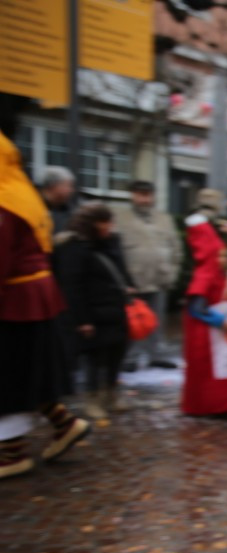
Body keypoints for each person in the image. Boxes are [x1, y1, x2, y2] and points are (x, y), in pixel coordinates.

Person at [0, 131, 90, 480]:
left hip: (15, 301)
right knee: (26, 370)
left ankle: (11, 453)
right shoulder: (22, 192)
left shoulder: (5, 199)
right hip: (33, 297)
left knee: (8, 376)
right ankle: (64, 424)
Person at [55, 204, 135, 419]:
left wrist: (128, 284)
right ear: (92, 223)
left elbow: (121, 267)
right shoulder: (73, 247)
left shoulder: (110, 241)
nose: (110, 226)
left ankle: (110, 394)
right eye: (105, 222)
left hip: (115, 309)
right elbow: (72, 286)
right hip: (92, 311)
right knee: (95, 357)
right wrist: (83, 320)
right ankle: (92, 399)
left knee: (117, 353)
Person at [181, 190, 227, 417]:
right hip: (207, 334)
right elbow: (196, 308)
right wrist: (221, 321)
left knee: (221, 369)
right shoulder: (205, 274)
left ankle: (221, 404)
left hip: (216, 332)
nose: (224, 260)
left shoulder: (215, 272)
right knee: (210, 372)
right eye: (221, 256)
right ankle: (210, 405)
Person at [112, 180, 182, 371]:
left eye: (147, 195)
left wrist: (172, 272)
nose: (144, 199)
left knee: (156, 320)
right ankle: (130, 357)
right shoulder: (121, 219)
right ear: (133, 195)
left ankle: (156, 354)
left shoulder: (164, 219)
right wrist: (122, 280)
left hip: (160, 278)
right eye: (140, 194)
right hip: (134, 280)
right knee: (133, 321)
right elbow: (115, 250)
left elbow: (176, 248)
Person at [37, 166, 75, 235]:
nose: (71, 190)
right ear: (53, 185)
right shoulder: (35, 208)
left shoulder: (70, 211)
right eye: (68, 186)